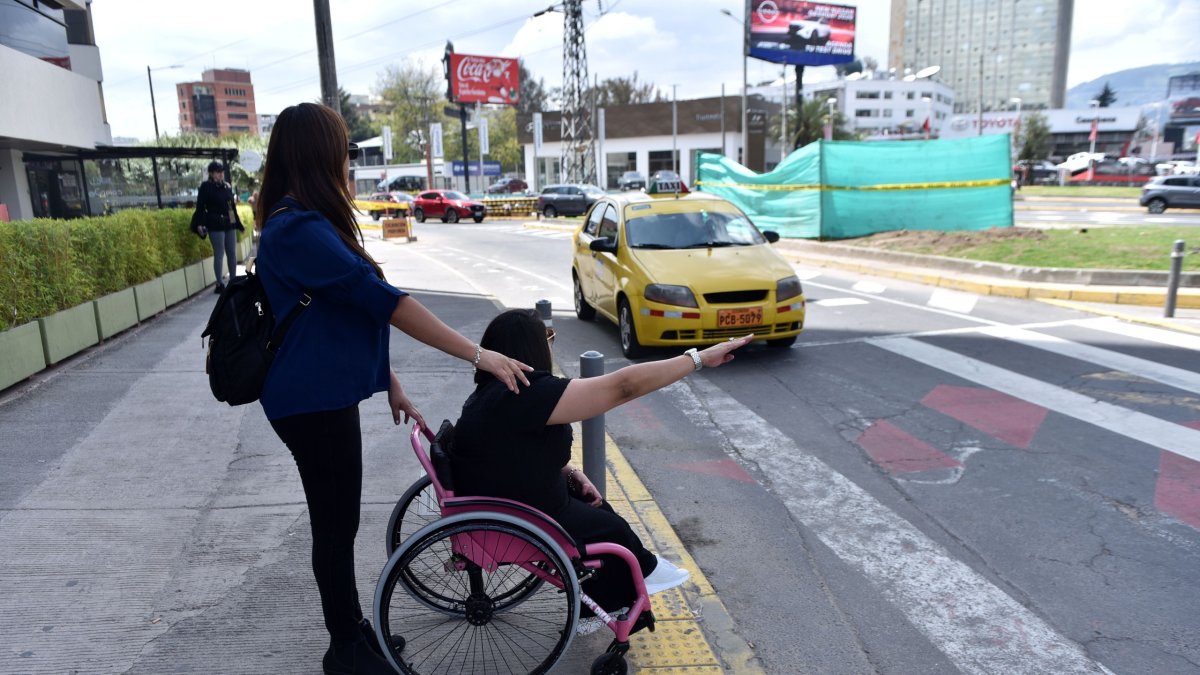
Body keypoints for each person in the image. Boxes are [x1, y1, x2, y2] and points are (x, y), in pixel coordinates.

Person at [252, 102, 532, 675]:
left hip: (322, 396)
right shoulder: (296, 229)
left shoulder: (305, 222)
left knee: (340, 523)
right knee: (334, 527)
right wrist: (479, 353)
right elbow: (386, 302)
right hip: (310, 404)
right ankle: (345, 650)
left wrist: (390, 382)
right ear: (319, 155)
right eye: (344, 150)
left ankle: (353, 631)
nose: (349, 160)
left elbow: (347, 316)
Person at [451, 309, 753, 633]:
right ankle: (622, 592)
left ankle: (620, 589)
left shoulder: (493, 393)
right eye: (548, 339)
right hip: (523, 512)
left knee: (598, 510)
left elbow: (511, 447)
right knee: (612, 535)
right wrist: (698, 359)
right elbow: (623, 386)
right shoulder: (526, 394)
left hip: (505, 496)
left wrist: (569, 472)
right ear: (533, 349)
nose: (551, 345)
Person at [195, 160, 244, 293]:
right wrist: (199, 223)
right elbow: (200, 207)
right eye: (218, 172)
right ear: (211, 173)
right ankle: (219, 283)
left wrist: (237, 224)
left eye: (222, 171)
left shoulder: (226, 186)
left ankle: (233, 281)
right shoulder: (206, 187)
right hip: (215, 224)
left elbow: (231, 207)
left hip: (228, 224)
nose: (221, 174)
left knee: (232, 253)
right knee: (219, 254)